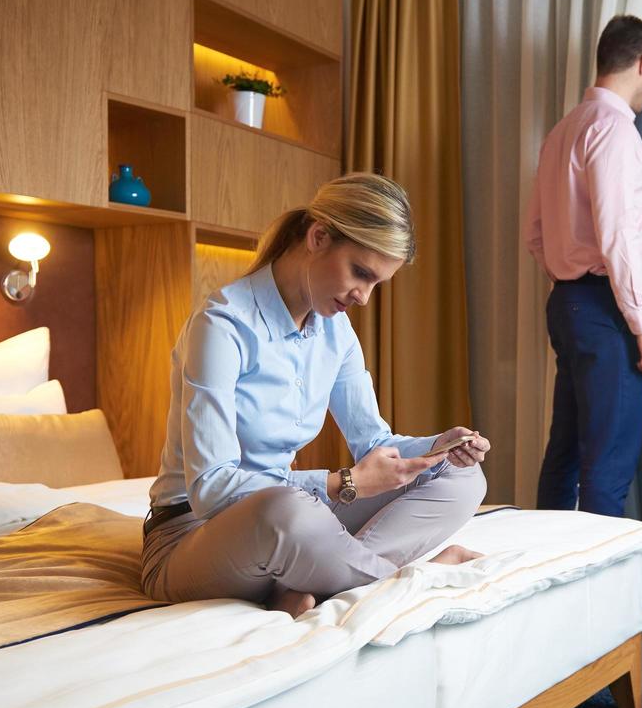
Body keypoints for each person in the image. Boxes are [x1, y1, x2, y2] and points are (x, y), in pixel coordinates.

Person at [141, 173, 491, 619]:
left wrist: (439, 447)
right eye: (360, 273)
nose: (364, 297)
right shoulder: (222, 325)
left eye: (376, 283)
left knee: (462, 480)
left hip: (286, 522)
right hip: (191, 535)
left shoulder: (335, 331)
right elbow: (211, 489)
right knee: (288, 512)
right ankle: (420, 580)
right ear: (318, 237)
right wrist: (339, 484)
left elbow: (374, 443)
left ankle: (313, 586)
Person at [524, 14, 642, 638]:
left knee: (564, 452)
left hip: (567, 302)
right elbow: (620, 237)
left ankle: (546, 601)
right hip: (605, 308)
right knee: (607, 463)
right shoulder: (616, 132)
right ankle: (606, 620)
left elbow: (535, 235)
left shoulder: (562, 131)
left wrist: (569, 277)